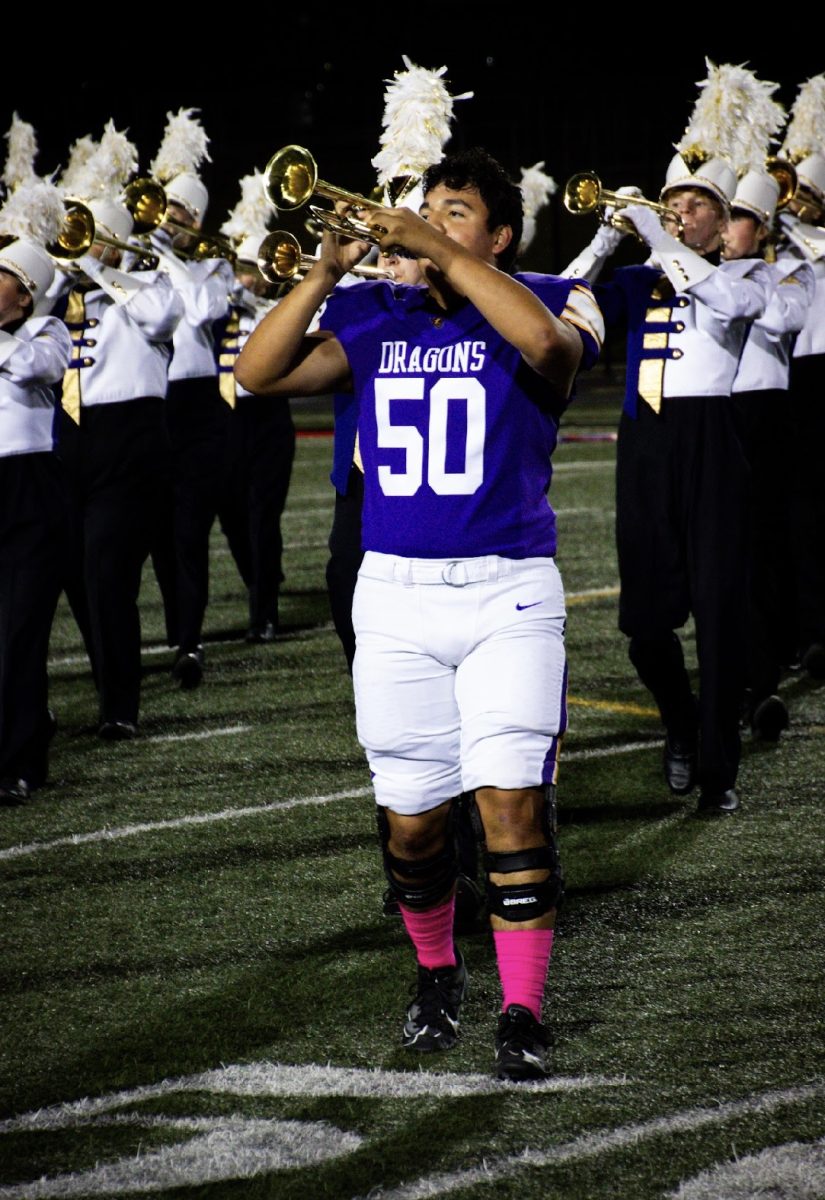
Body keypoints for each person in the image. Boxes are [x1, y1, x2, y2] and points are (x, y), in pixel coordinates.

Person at [236, 147, 603, 1080]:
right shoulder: (372, 311)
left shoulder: (555, 292)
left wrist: (434, 248)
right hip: (393, 593)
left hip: (506, 591)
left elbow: (545, 350)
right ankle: (436, 973)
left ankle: (522, 1009)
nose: (431, 222)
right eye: (426, 208)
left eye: (456, 210)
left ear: (501, 233)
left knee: (512, 806)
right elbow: (258, 372)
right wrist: (324, 269)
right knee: (411, 822)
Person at [563, 67, 771, 815]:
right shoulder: (637, 282)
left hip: (711, 441)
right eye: (671, 204)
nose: (679, 214)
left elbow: (728, 302)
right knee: (644, 623)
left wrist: (661, 242)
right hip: (643, 442)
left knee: (719, 615)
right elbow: (554, 302)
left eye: (697, 206)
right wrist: (601, 238)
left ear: (721, 222)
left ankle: (718, 767)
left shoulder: (747, 275)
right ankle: (679, 723)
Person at [45, 194, 183, 739]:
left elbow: (161, 316)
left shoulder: (149, 284)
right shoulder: (61, 297)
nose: (81, 242)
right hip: (66, 441)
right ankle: (105, 685)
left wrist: (101, 266)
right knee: (75, 577)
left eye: (93, 233)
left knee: (107, 575)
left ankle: (120, 706)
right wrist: (60, 274)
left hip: (131, 443)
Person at [722, 169, 815, 739]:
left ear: (761, 228)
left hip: (763, 418)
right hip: (709, 415)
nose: (727, 228)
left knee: (759, 551)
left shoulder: (789, 272)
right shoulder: (691, 272)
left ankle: (763, 672)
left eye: (739, 217)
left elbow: (783, 318)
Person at [0, 226, 72, 802]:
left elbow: (34, 369)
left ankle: (22, 759)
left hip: (29, 487)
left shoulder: (47, 329)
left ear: (24, 294)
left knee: (22, 632)